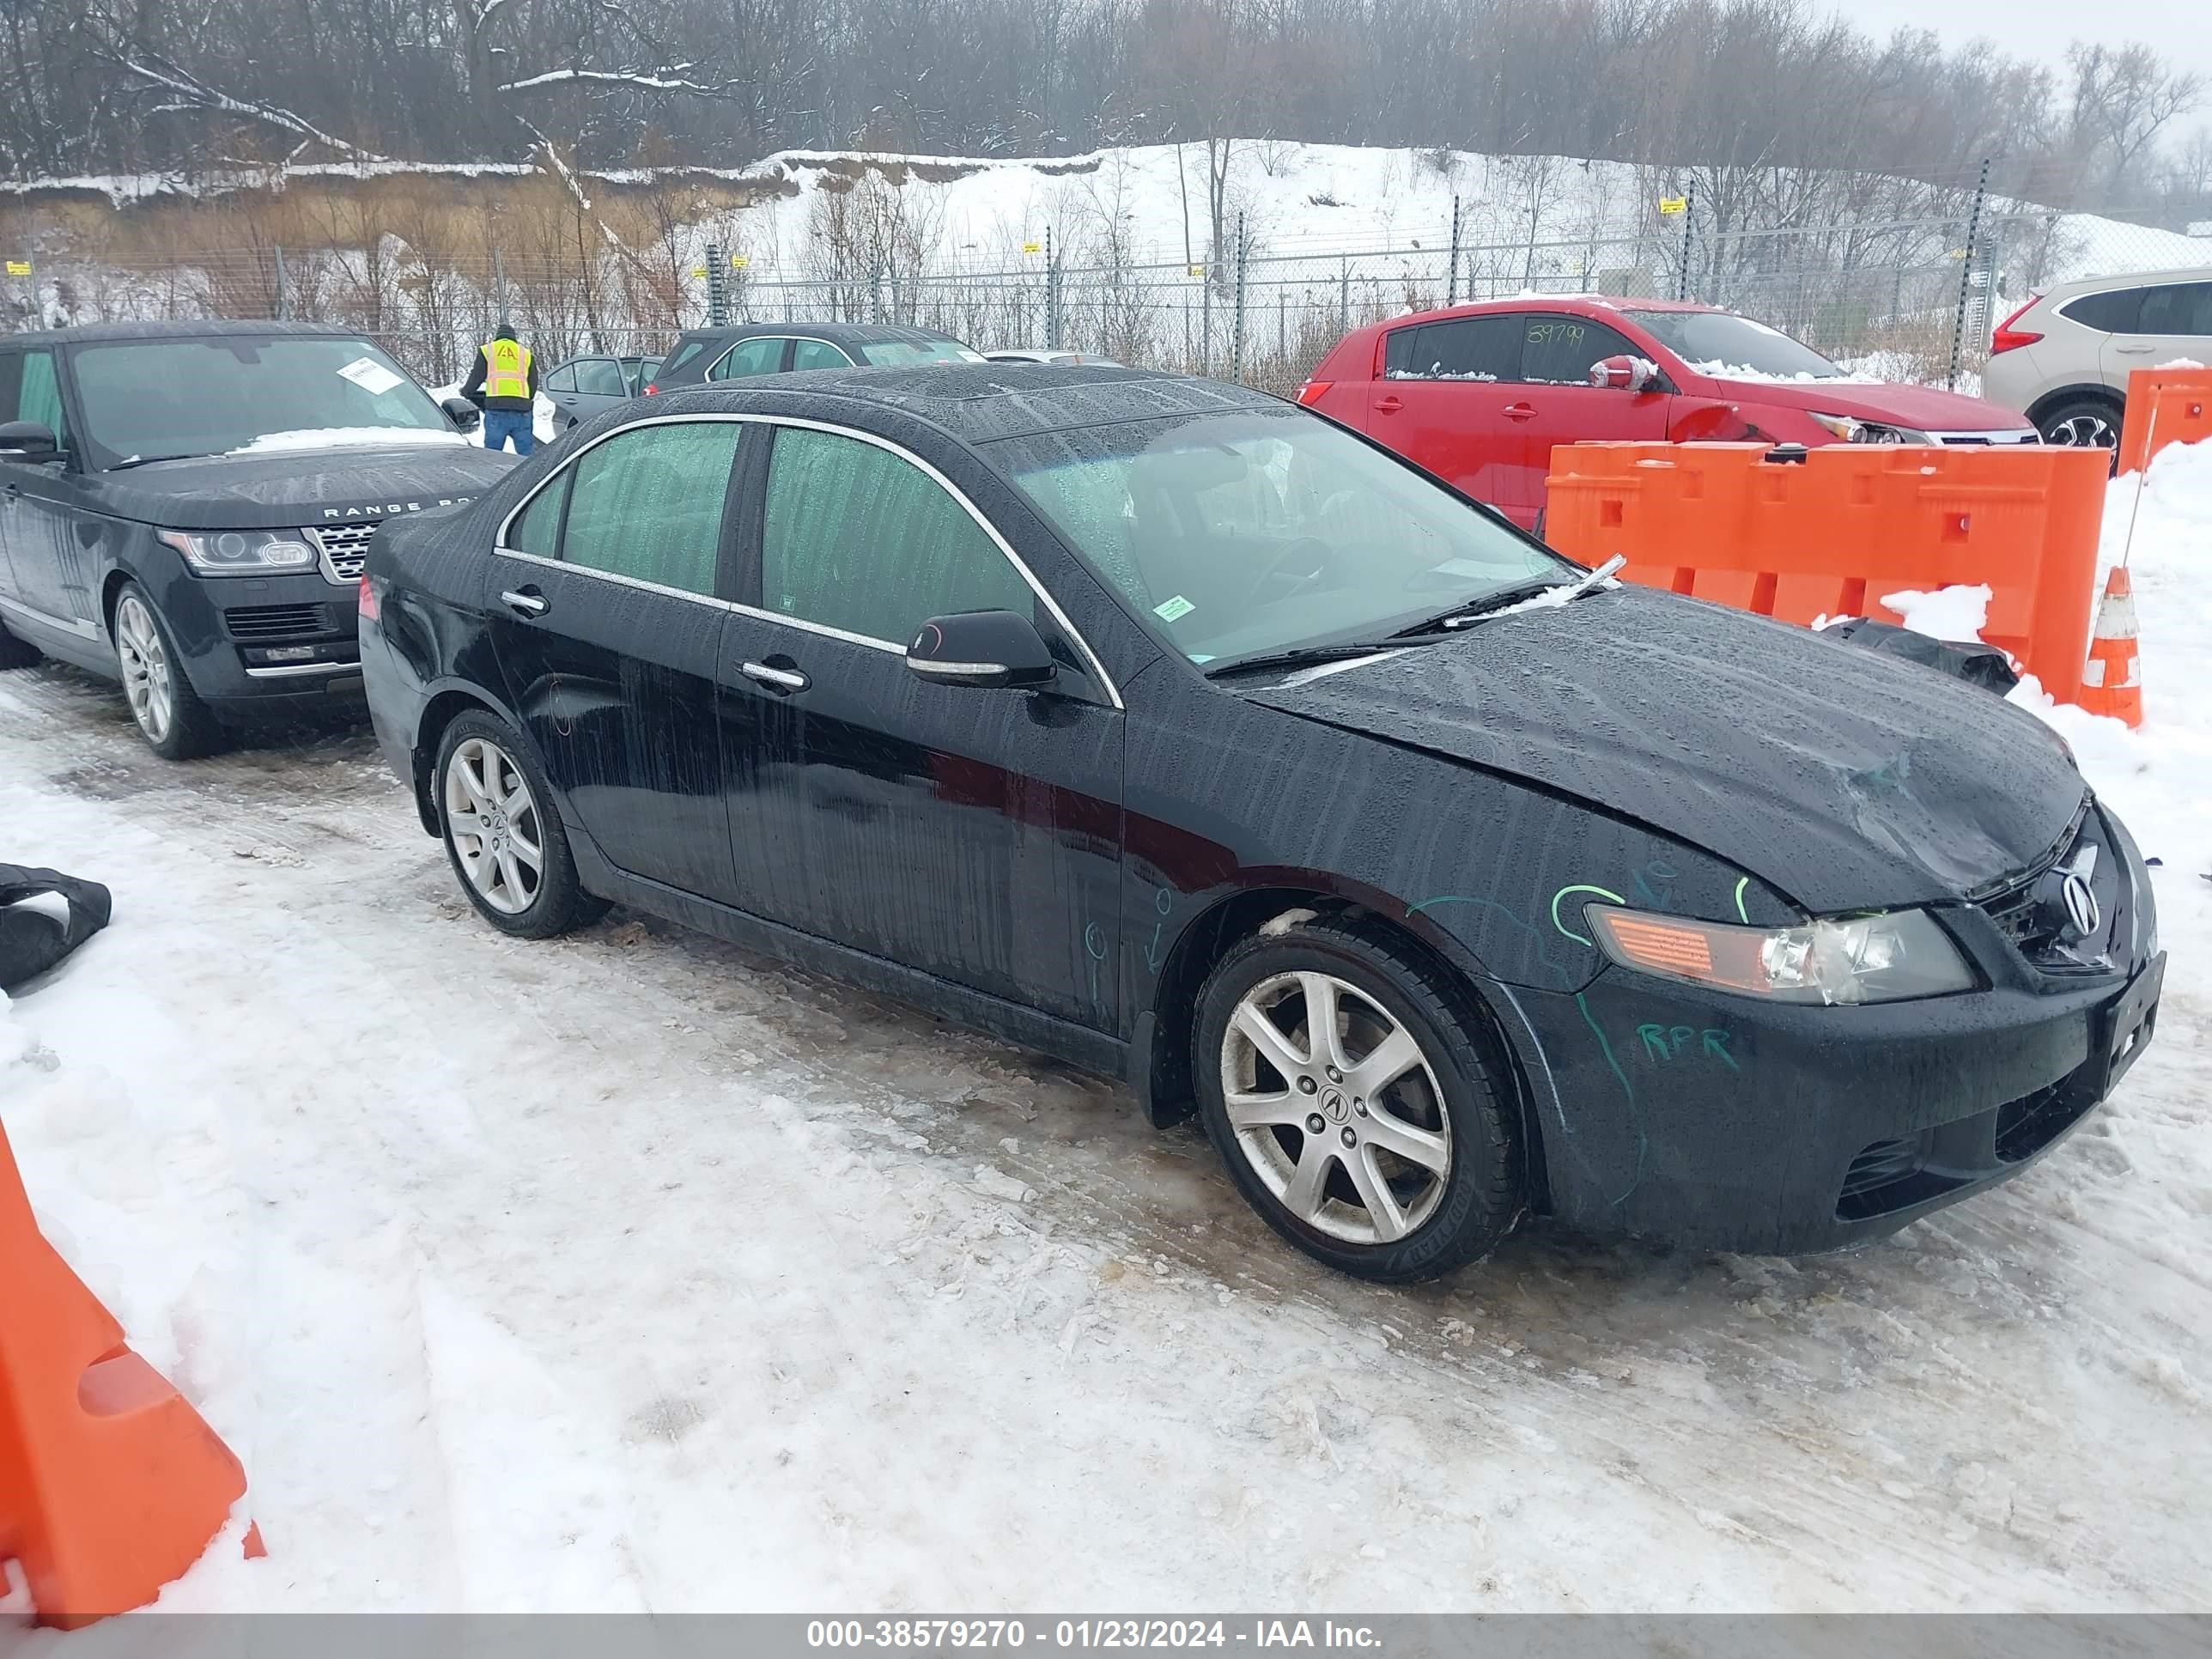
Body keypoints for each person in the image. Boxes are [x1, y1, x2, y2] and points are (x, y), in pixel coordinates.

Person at [465, 322, 538, 455]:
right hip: (522, 409)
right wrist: (527, 399)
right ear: (514, 338)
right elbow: (533, 381)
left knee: (493, 454)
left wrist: (467, 391)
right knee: (527, 454)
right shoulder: (525, 353)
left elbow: (477, 375)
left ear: (497, 337)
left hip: (496, 408)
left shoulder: (488, 350)